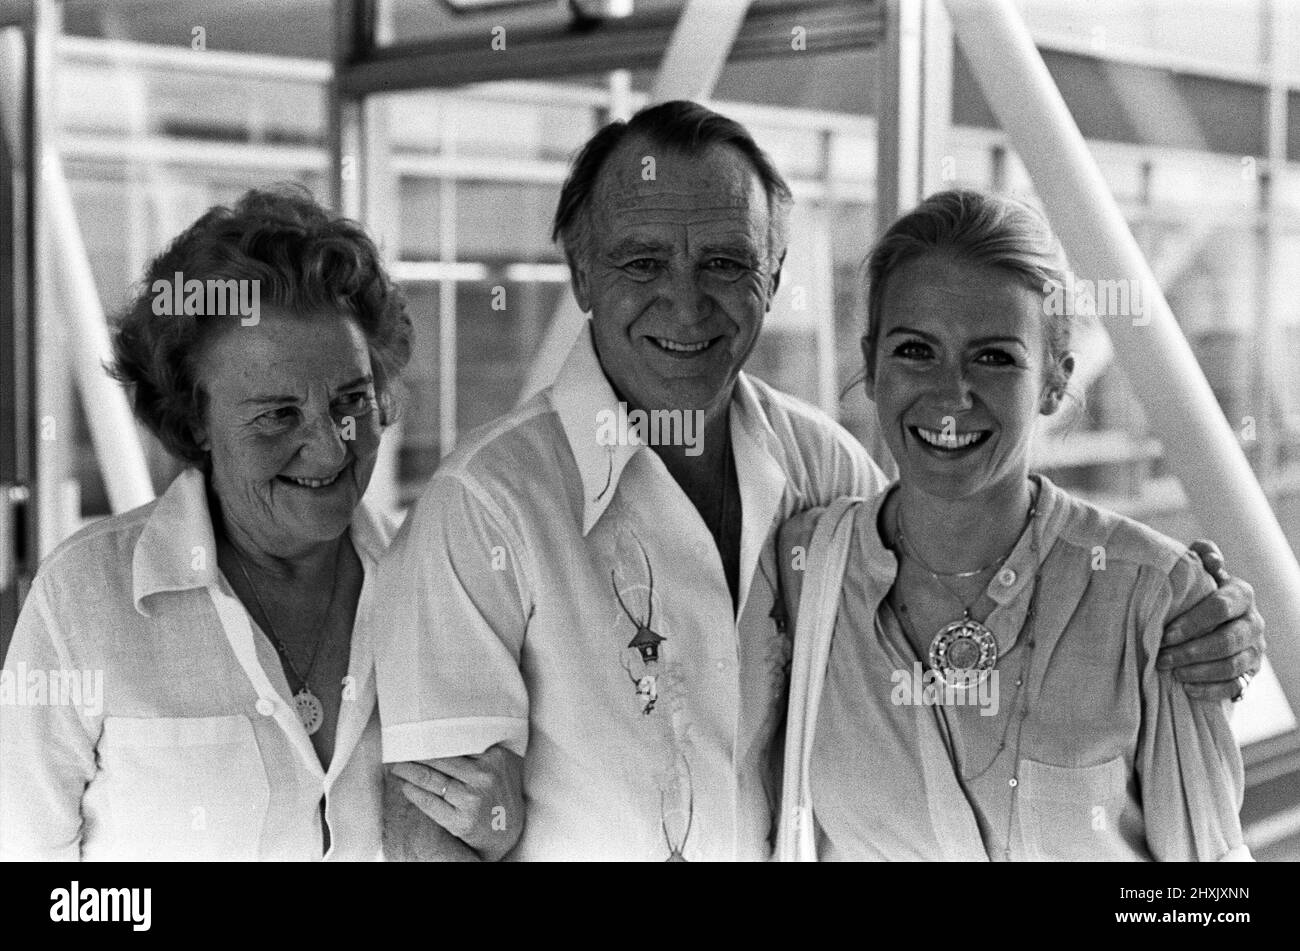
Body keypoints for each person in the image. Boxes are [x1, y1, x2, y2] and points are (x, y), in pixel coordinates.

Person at [368, 101, 1265, 861]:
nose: (687, 301)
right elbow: (430, 830)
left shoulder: (822, 478)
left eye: (725, 261)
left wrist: (1200, 621)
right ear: (581, 274)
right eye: (644, 261)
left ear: (774, 277)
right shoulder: (482, 509)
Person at [0, 187, 519, 861]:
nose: (332, 447)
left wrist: (505, 829)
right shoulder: (85, 599)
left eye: (351, 399)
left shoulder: (445, 588)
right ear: (193, 422)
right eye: (277, 415)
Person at [776, 189, 1252, 861]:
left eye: (994, 357)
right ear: (872, 367)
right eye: (916, 350)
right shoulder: (802, 573)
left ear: (1055, 383)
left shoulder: (1154, 598)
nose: (951, 394)